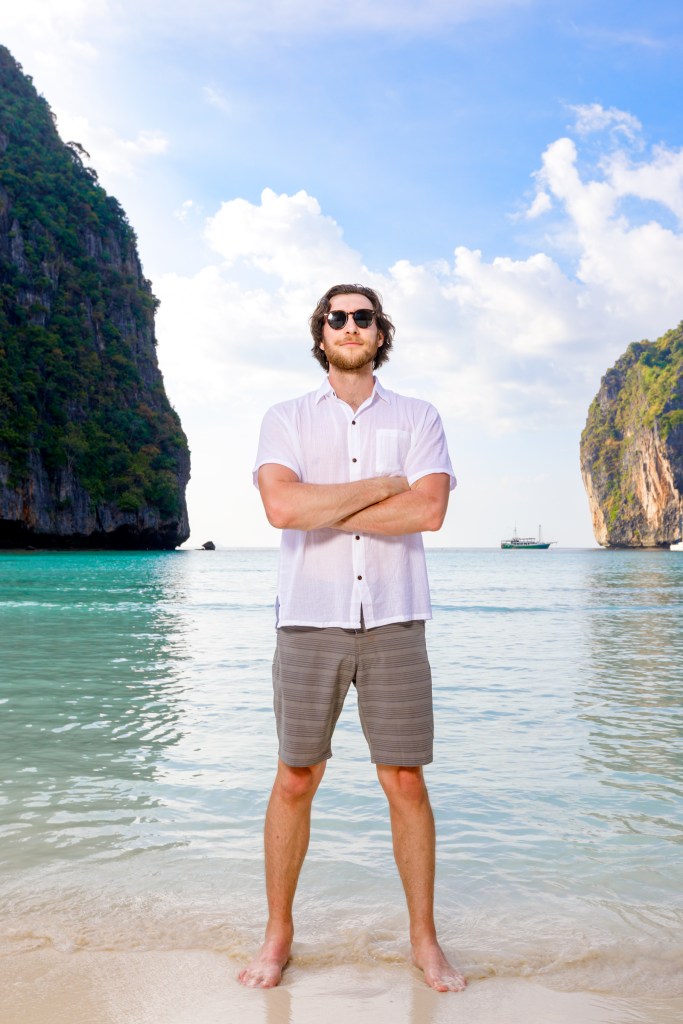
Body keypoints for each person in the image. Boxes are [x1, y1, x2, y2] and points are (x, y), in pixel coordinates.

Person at [239, 284, 465, 993]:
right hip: (309, 615)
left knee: (404, 779)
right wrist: (379, 488)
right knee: (294, 777)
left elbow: (428, 512)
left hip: (395, 615)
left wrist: (328, 498)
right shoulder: (284, 419)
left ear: (378, 332)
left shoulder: (418, 415)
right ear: (320, 331)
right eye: (335, 316)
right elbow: (281, 506)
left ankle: (423, 942)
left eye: (361, 316)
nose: (348, 325)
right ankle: (278, 934)